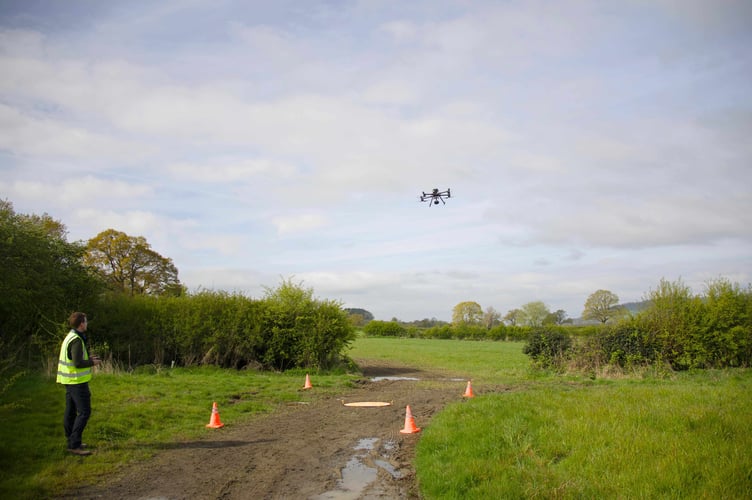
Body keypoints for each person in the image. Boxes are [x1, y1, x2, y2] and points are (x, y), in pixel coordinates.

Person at [57, 312, 101, 456]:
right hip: (77, 381)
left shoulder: (71, 336)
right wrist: (92, 363)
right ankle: (74, 444)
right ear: (81, 324)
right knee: (84, 412)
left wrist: (88, 357)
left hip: (69, 380)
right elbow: (77, 362)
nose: (87, 324)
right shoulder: (76, 340)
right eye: (86, 321)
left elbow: (75, 358)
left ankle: (71, 441)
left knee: (70, 412)